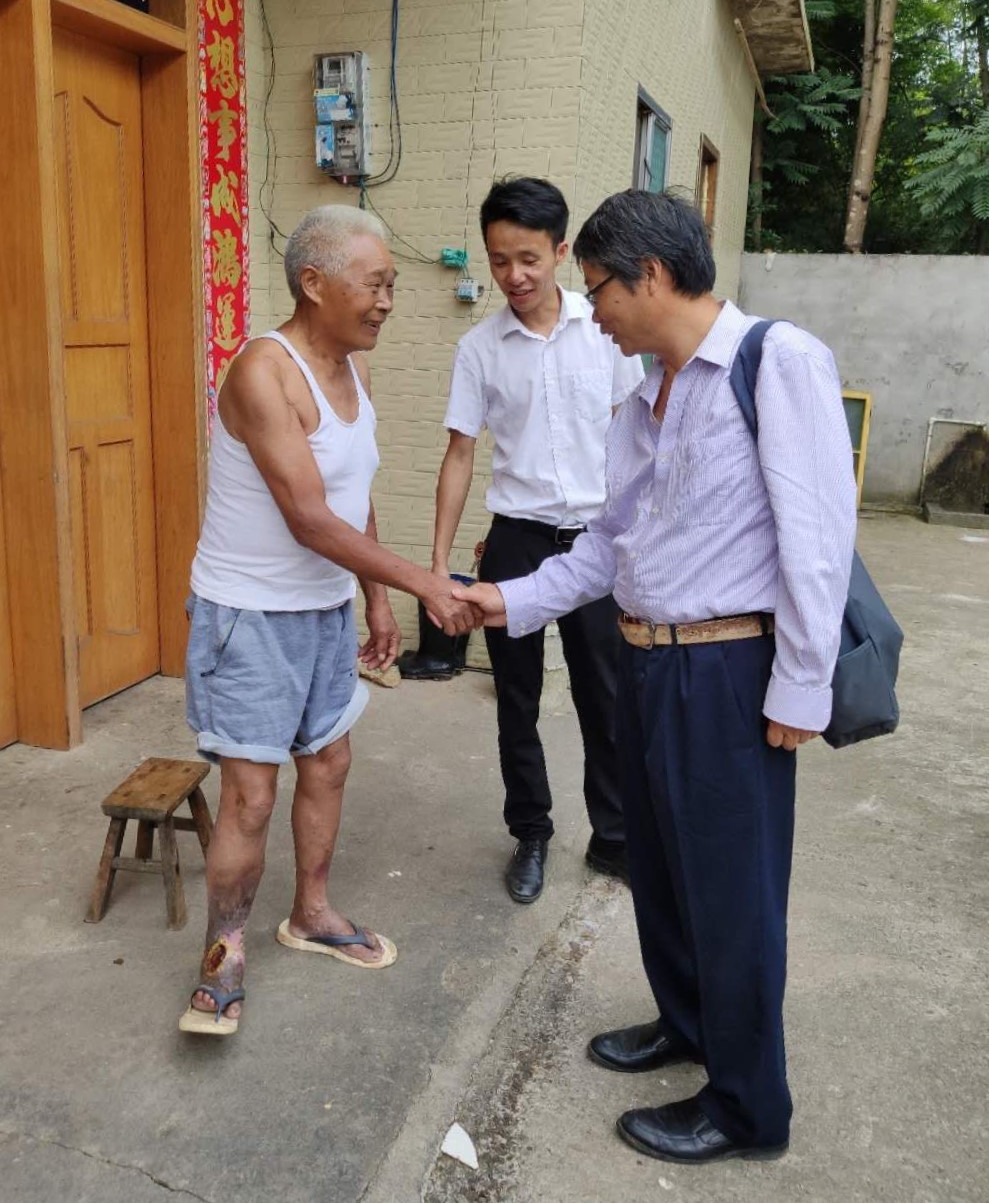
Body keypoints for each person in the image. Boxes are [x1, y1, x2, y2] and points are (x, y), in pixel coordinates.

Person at [459, 190, 857, 1162]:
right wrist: (503, 600)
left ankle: (747, 1107)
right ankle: (687, 1024)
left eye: (597, 288)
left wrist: (800, 686)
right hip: (645, 663)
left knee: (731, 891)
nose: (591, 309)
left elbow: (817, 541)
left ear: (652, 275)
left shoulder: (775, 361)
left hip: (727, 670)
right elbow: (605, 546)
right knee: (664, 873)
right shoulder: (645, 398)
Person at [180, 205, 477, 1035]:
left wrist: (374, 596)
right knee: (249, 796)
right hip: (249, 615)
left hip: (321, 611)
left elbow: (352, 494)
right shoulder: (261, 373)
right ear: (313, 283)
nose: (387, 301)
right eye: (374, 284)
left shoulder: (353, 369)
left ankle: (309, 912)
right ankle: (221, 959)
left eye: (391, 286)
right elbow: (309, 518)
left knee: (330, 761)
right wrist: (423, 583)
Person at [432, 177, 644, 904]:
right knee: (515, 699)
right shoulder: (479, 348)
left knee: (604, 695)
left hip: (596, 543)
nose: (513, 276)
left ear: (559, 251)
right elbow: (460, 453)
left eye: (527, 258)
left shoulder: (605, 330)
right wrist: (440, 566)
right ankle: (530, 832)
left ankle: (613, 836)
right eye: (499, 260)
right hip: (517, 541)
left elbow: (632, 434)